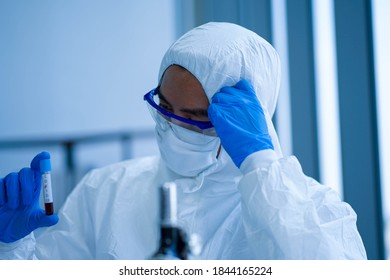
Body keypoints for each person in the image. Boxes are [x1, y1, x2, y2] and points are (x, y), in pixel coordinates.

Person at [0, 22, 367, 259]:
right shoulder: (106, 189)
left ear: (246, 117)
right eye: (165, 106)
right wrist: (12, 248)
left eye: (194, 117)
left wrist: (261, 164)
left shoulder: (309, 210)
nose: (172, 127)